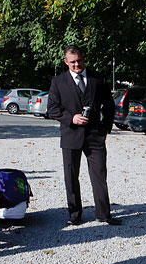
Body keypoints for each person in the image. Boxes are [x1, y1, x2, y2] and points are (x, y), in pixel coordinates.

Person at [47, 44, 120, 226]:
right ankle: (74, 214)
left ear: (84, 58)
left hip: (95, 136)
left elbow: (109, 106)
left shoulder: (98, 79)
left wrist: (105, 128)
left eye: (79, 60)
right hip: (71, 136)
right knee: (71, 176)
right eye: (72, 62)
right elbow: (52, 109)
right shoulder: (58, 82)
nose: (76, 65)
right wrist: (72, 118)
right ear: (66, 62)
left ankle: (103, 214)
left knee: (99, 175)